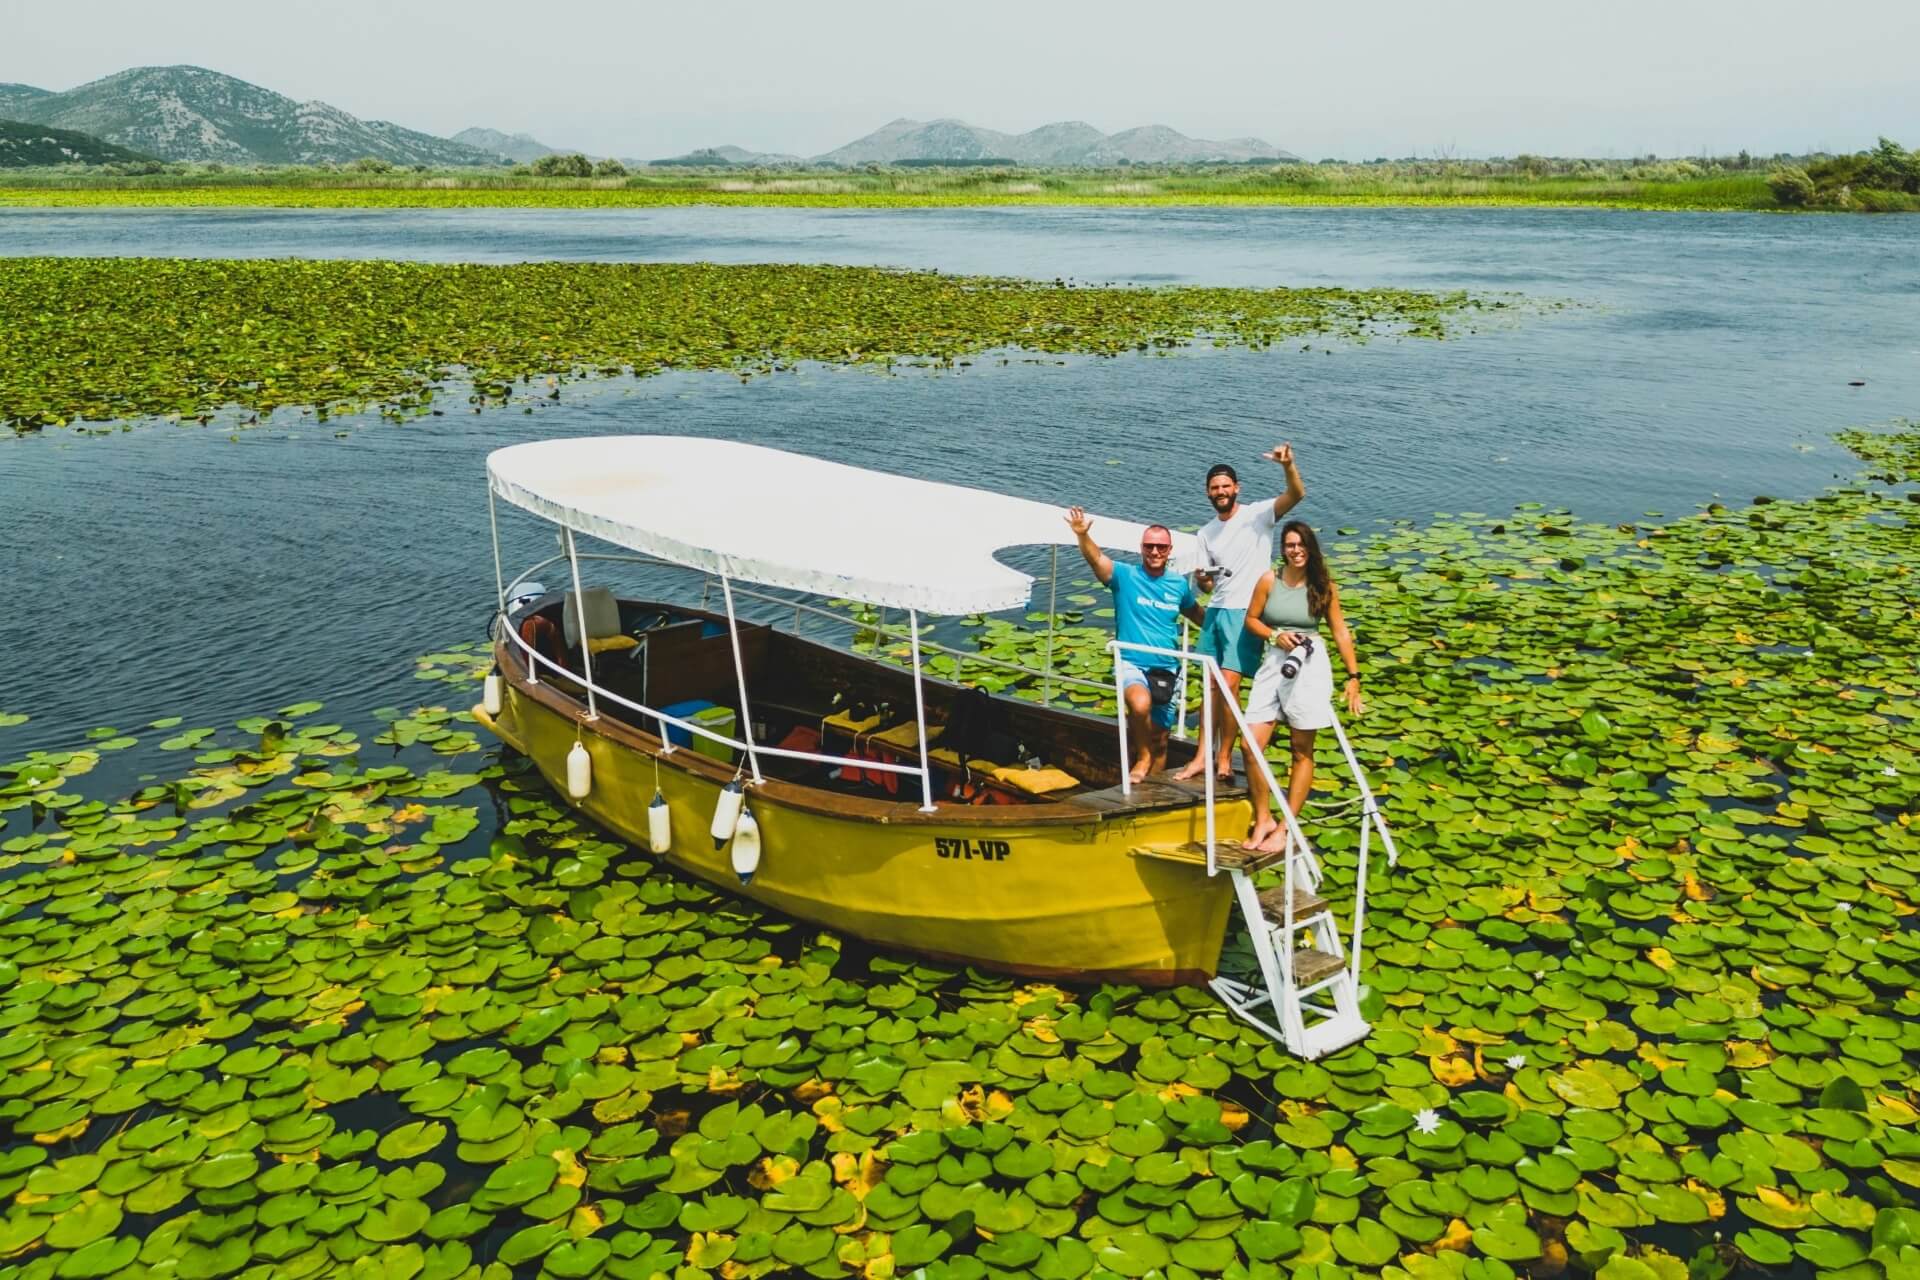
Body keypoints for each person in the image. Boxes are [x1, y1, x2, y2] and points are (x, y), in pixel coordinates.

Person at [1170, 444, 1306, 783]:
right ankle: (1201, 756)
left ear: (1236, 488)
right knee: (1210, 687)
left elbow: (1296, 494)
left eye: (1225, 486)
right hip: (1216, 611)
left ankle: (1224, 758)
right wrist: (1203, 579)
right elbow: (1207, 586)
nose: (1220, 492)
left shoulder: (1257, 515)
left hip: (1245, 612)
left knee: (1229, 684)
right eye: (1214, 488)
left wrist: (1288, 465)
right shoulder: (1205, 533)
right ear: (1208, 493)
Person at [1239, 520, 1363, 852]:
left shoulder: (1324, 586)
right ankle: (1263, 818)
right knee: (1250, 745)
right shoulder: (1269, 580)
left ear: (1310, 547)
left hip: (1310, 664)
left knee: (1301, 749)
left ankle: (1285, 828)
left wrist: (1354, 676)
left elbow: (1339, 631)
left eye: (1301, 544)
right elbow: (1251, 619)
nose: (1296, 550)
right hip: (1274, 661)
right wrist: (1274, 635)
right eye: (1290, 545)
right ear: (1283, 549)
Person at [1064, 507, 1205, 782]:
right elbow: (1097, 559)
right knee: (1139, 706)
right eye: (1149, 546)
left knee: (1160, 739)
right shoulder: (1125, 576)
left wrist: (1228, 630)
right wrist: (1082, 535)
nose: (1155, 551)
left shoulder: (1178, 584)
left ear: (1169, 550)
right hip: (1132, 662)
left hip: (1167, 668)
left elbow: (1196, 614)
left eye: (1161, 547)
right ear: (1141, 548)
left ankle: (1150, 790)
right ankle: (1143, 758)